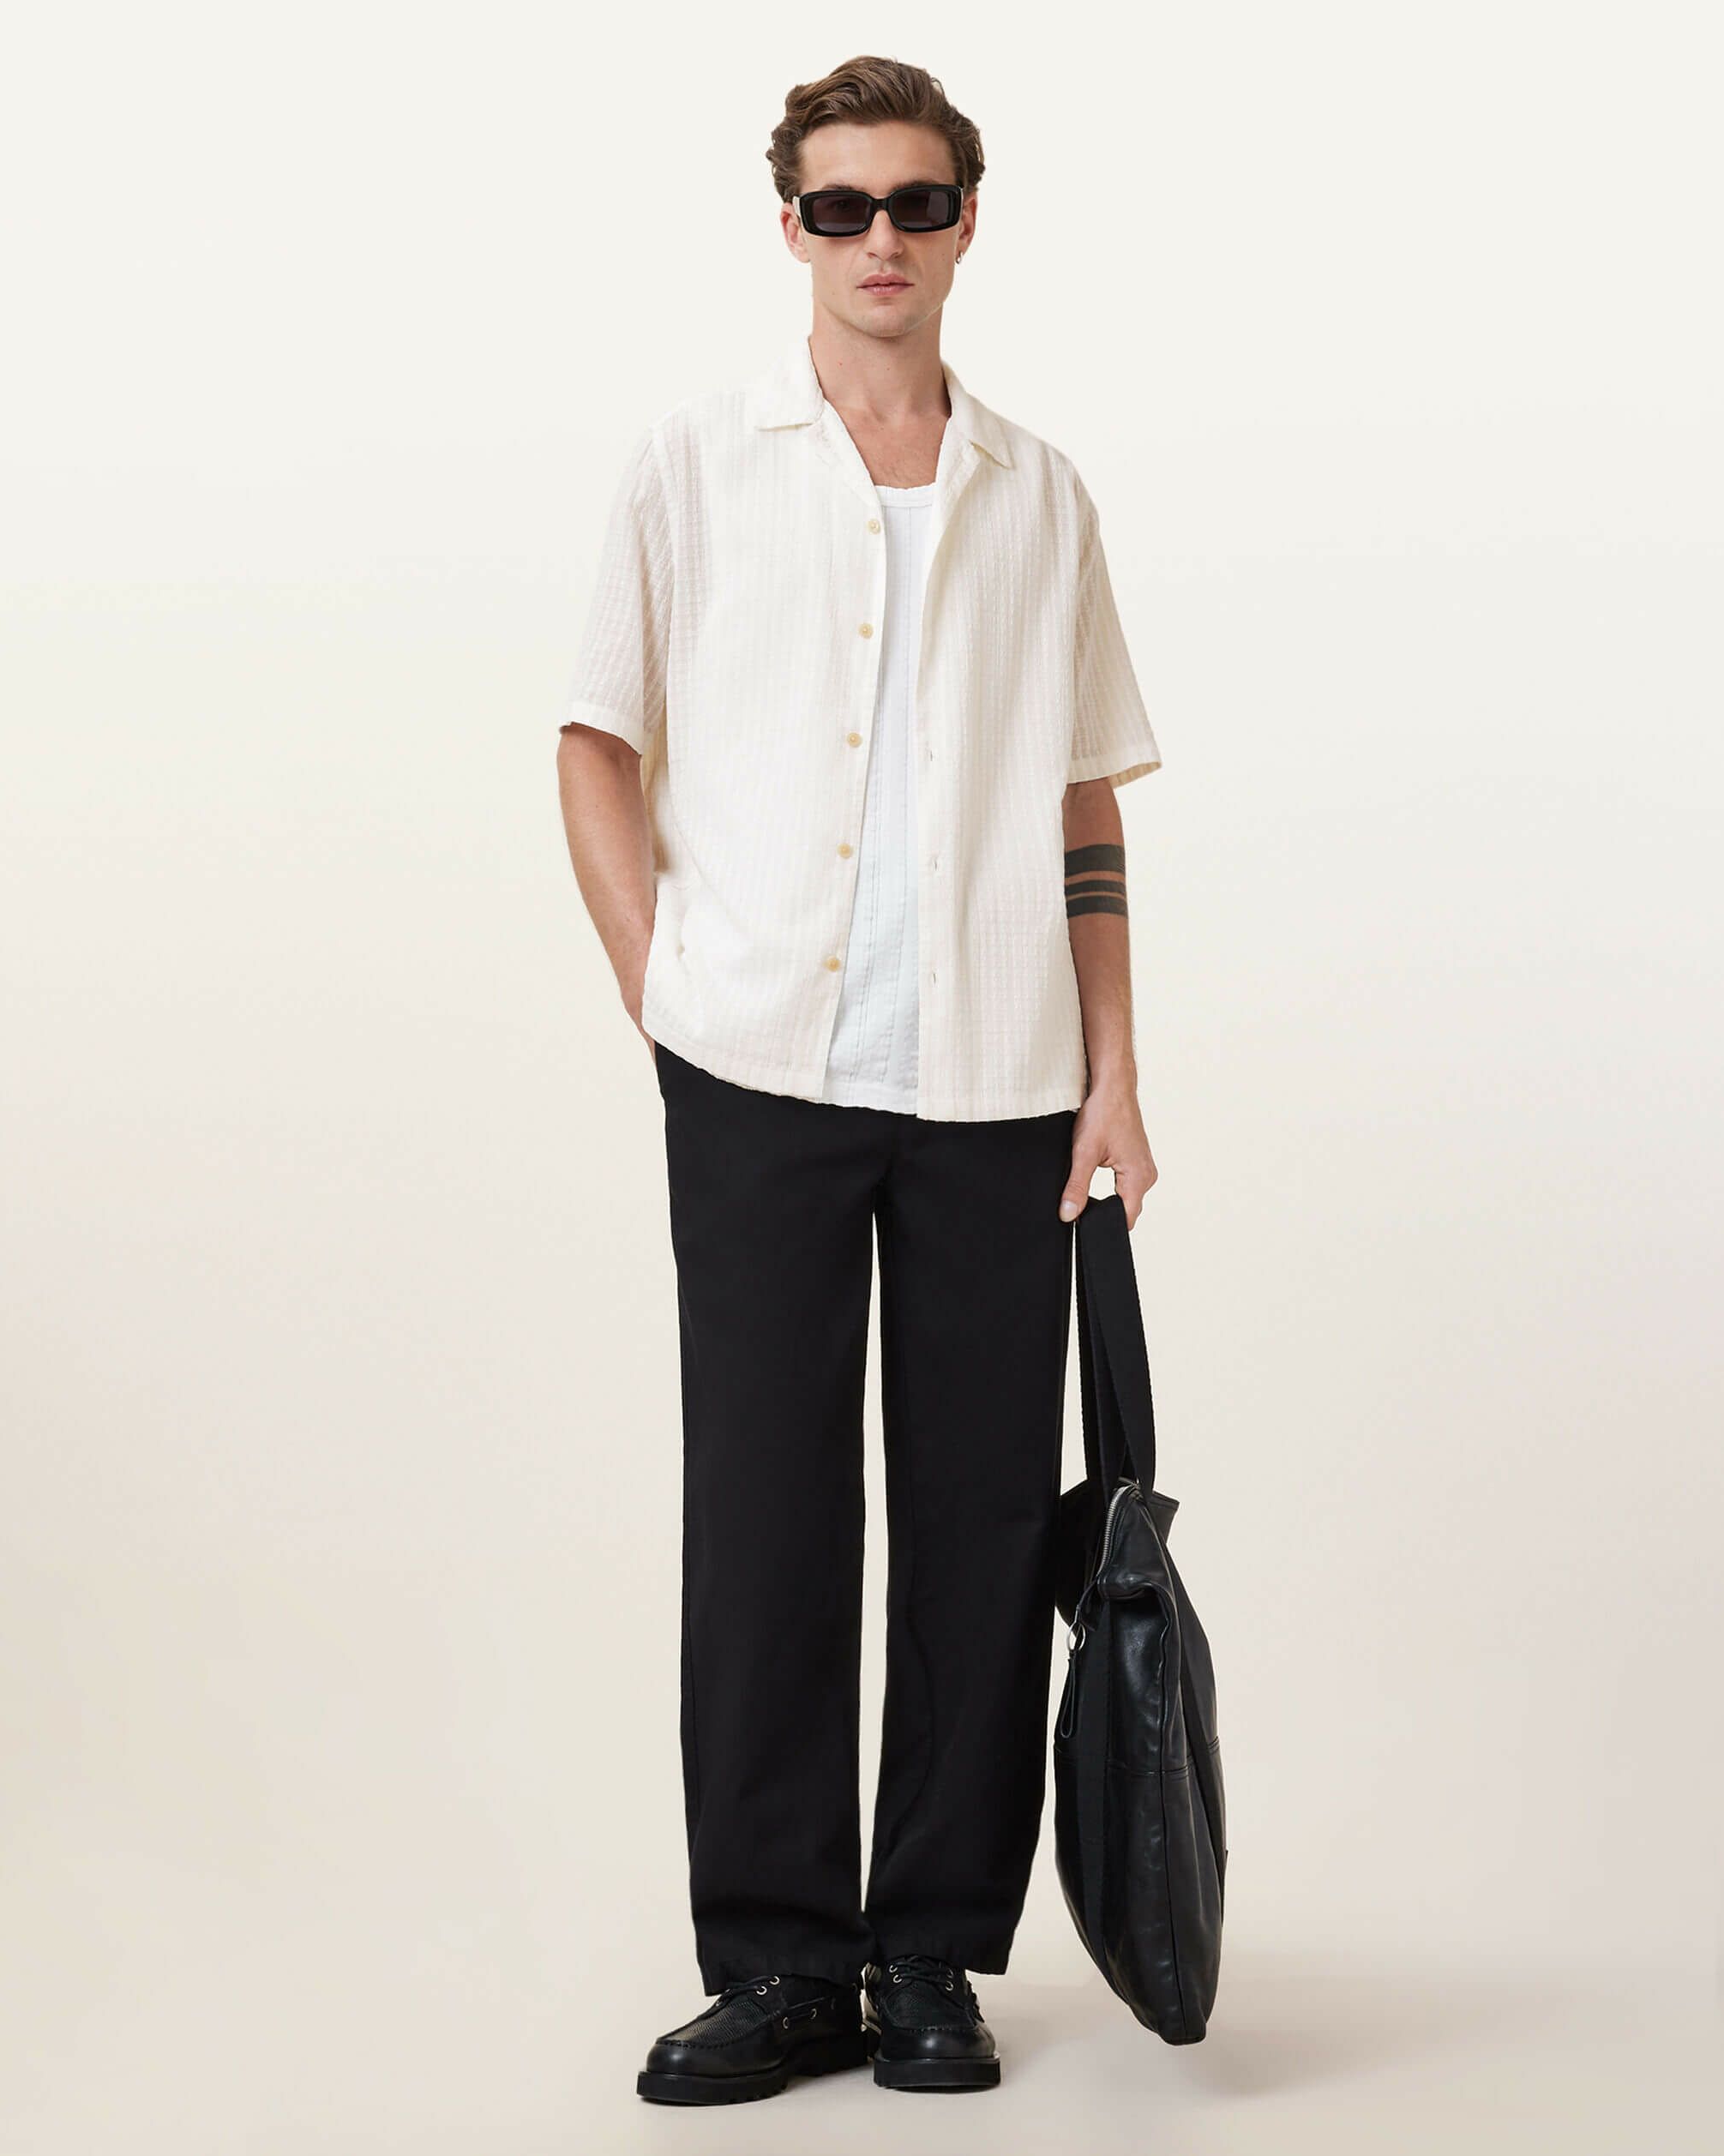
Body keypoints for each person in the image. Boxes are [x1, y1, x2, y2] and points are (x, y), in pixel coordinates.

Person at [555, 54, 1162, 2105]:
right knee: (768, 1514)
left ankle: (928, 1954)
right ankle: (780, 1959)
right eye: (840, 206)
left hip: (999, 1073)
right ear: (791, 227)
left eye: (914, 202)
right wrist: (662, 987)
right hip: (756, 1064)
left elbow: (1081, 796)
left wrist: (1115, 1066)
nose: (878, 239)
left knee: (983, 1517)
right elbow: (593, 735)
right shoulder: (691, 466)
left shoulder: (1039, 493)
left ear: (967, 220)